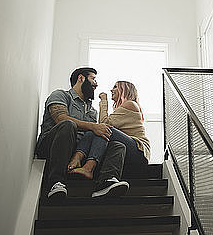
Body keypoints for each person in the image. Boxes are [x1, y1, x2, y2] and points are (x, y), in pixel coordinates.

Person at [35, 67, 130, 199]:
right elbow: (60, 118)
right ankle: (56, 182)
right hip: (53, 147)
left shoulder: (92, 111)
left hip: (78, 151)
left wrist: (96, 129)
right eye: (93, 79)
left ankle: (105, 182)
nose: (96, 84)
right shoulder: (61, 95)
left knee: (118, 145)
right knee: (68, 125)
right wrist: (93, 126)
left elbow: (91, 135)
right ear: (81, 78)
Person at [67, 81, 150, 187]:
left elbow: (104, 123)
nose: (111, 90)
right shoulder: (122, 109)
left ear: (125, 90)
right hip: (126, 150)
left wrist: (103, 101)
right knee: (93, 130)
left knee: (102, 129)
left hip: (138, 149)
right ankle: (79, 159)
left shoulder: (130, 104)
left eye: (115, 87)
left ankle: (87, 166)